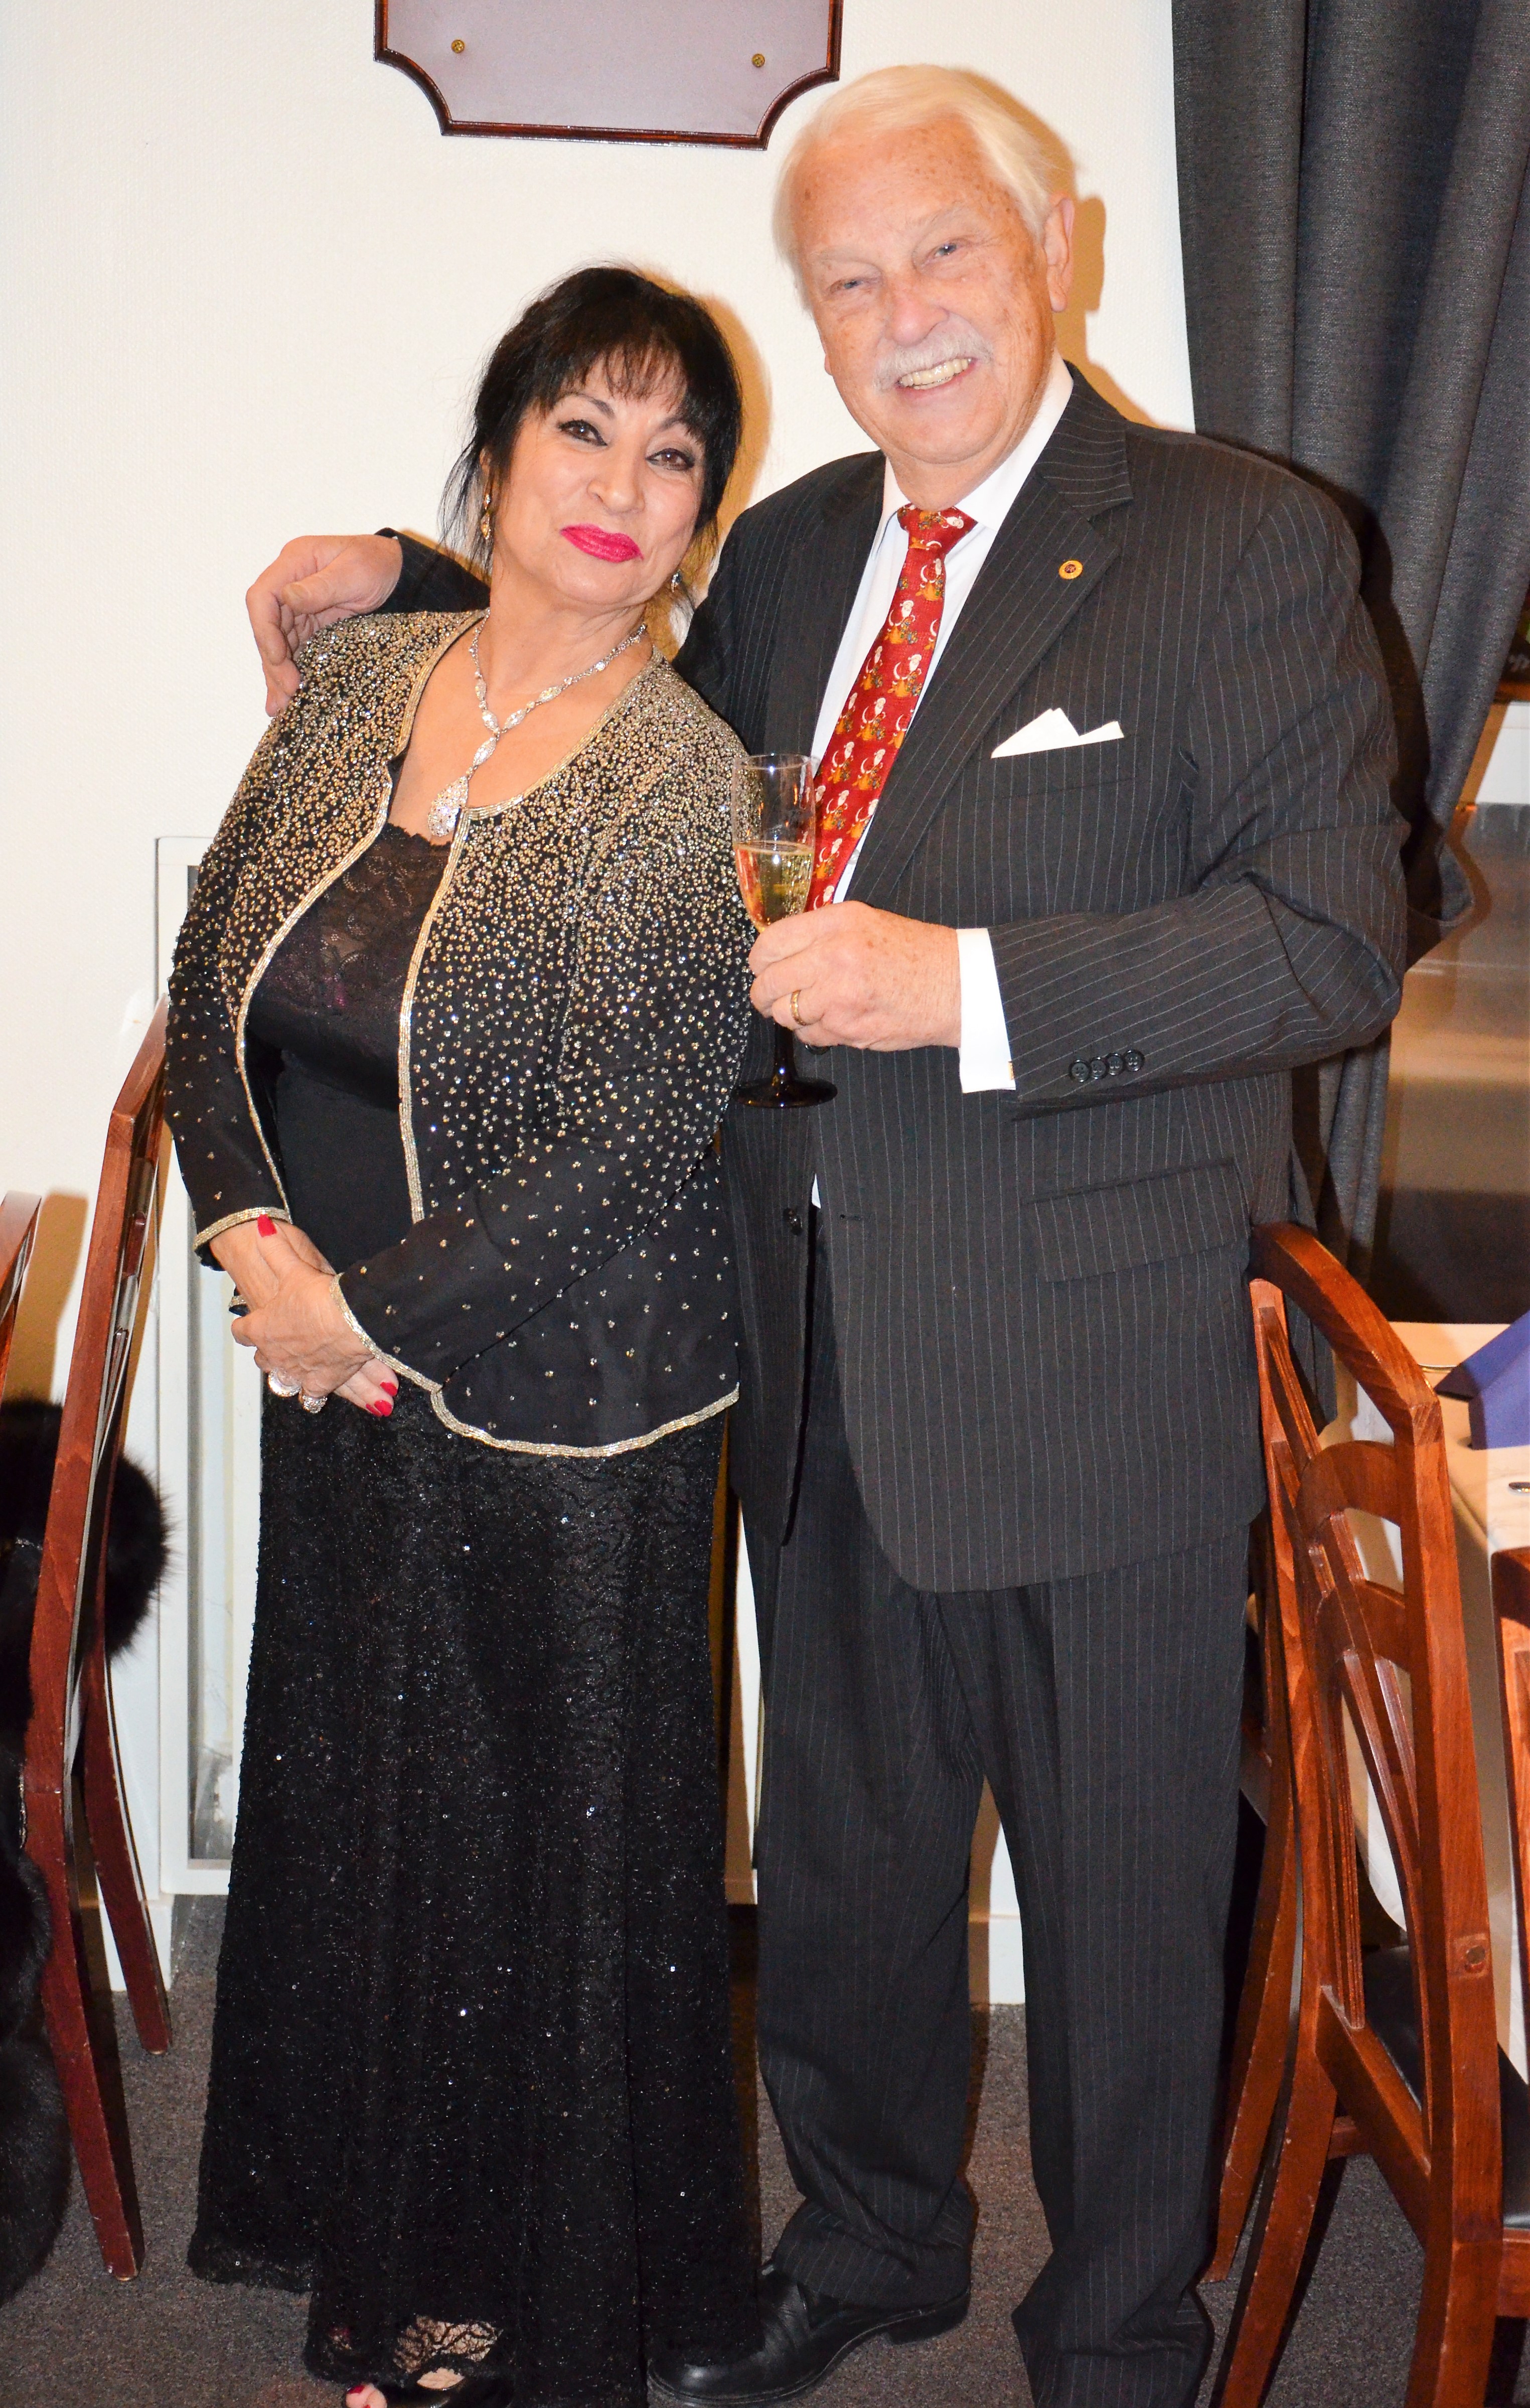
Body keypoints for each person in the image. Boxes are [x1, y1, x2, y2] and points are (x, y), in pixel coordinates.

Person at [244, 66, 1408, 2408]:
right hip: (805, 1344)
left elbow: (1328, 942)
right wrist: (409, 571)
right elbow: (607, 665)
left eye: (943, 252)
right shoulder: (784, 555)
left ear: (1054, 244)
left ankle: (1117, 2333)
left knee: (1119, 1911)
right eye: (848, 282)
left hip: (1093, 1363)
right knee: (855, 1870)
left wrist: (961, 984)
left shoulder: (1239, 540)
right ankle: (869, 2243)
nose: (903, 316)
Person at [167, 266, 763, 2408]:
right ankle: (371, 2234)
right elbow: (213, 974)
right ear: (496, 459)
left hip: (571, 1403)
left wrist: (363, 1314)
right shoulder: (367, 677)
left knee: (531, 1871)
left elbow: (641, 1129)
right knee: (373, 1818)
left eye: (672, 452)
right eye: (582, 428)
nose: (621, 483)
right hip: (328, 1364)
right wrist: (254, 1242)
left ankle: (499, 2318)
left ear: (701, 515)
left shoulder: (690, 779)